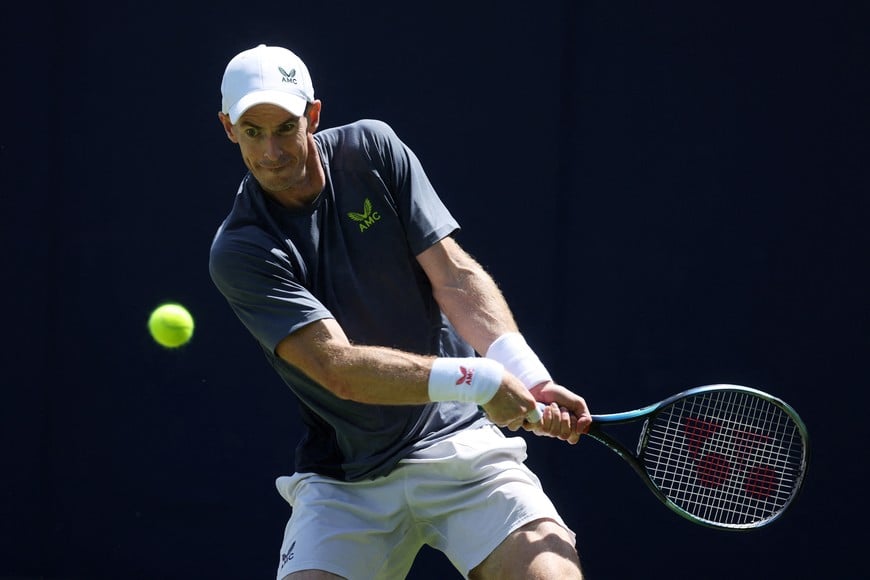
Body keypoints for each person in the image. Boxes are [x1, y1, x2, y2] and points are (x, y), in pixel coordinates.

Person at [209, 44, 593, 580]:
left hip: (459, 442)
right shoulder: (241, 250)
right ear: (229, 128)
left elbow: (453, 276)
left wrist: (528, 375)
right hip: (345, 481)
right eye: (253, 132)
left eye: (285, 128)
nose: (271, 151)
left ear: (313, 116)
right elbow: (338, 370)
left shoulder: (371, 150)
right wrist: (482, 380)